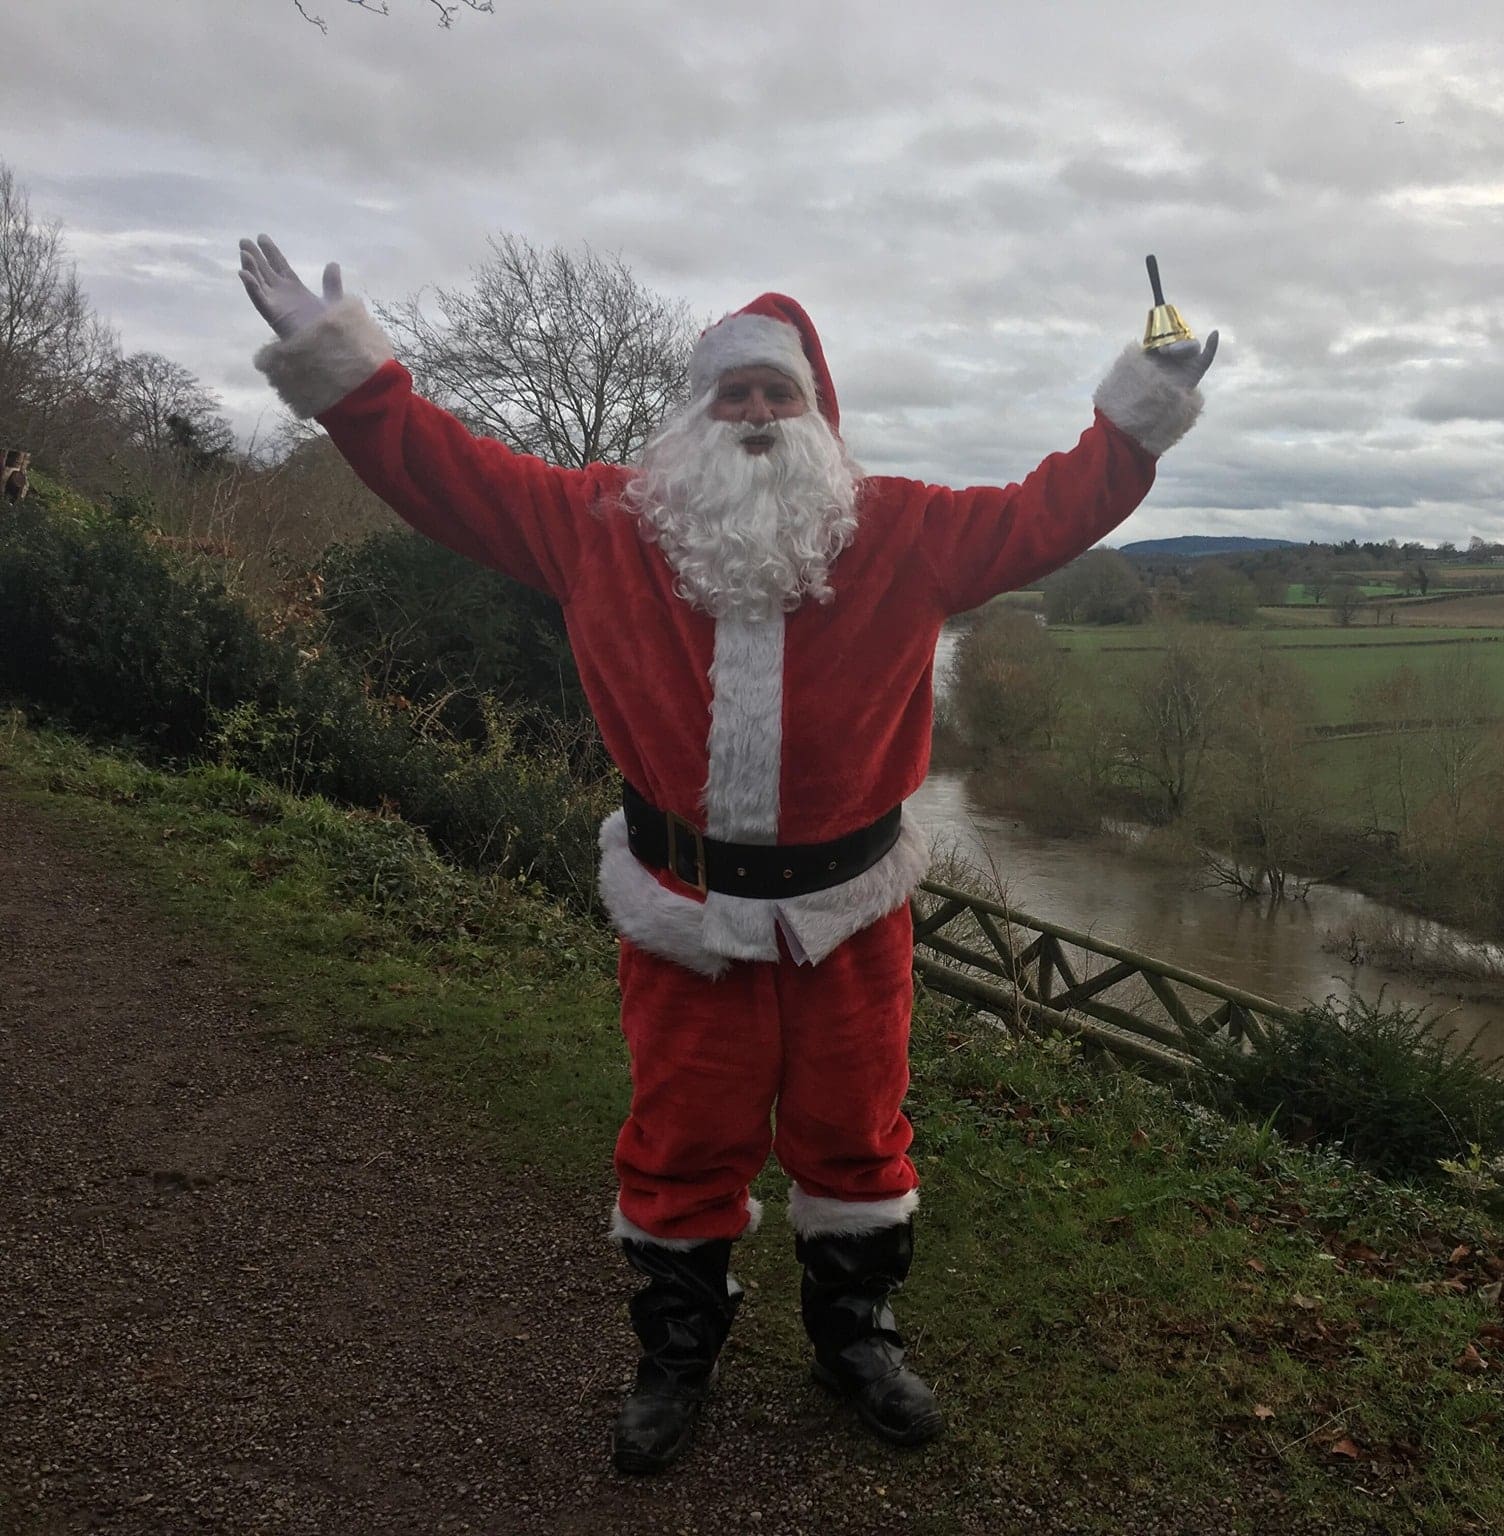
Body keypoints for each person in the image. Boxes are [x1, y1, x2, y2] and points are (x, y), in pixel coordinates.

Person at [237, 234, 1217, 1472]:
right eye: (733, 393)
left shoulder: (904, 532)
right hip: (680, 912)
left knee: (854, 1132)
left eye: (777, 394)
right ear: (694, 415)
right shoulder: (599, 525)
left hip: (851, 915)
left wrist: (1140, 407)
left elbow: (1049, 512)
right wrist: (348, 374)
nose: (755, 415)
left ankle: (854, 1335)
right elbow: (446, 475)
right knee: (679, 1135)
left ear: (817, 415)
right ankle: (675, 1351)